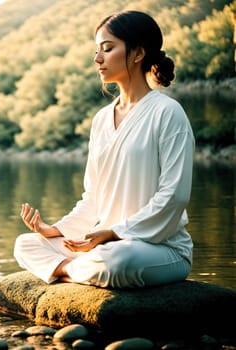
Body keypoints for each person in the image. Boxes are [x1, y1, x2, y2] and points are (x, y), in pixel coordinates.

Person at [13, 10, 195, 289]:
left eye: (107, 49)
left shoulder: (168, 113)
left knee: (118, 259)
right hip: (103, 242)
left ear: (137, 53)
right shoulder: (101, 120)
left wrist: (113, 233)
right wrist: (56, 230)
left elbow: (174, 197)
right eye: (96, 51)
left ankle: (67, 271)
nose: (97, 59)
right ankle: (78, 269)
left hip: (158, 248)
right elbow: (93, 198)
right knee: (26, 244)